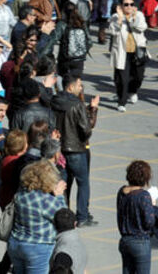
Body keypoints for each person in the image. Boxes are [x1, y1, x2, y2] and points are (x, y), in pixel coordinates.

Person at [50, 75, 98, 228]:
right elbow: (86, 129)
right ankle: (82, 216)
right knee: (83, 183)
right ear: (70, 87)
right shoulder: (77, 104)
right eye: (79, 85)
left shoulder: (54, 100)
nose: (81, 88)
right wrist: (93, 109)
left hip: (59, 149)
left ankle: (63, 215)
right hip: (76, 149)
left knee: (63, 183)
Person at [9, 160, 67, 274]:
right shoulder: (46, 201)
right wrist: (59, 196)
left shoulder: (21, 194)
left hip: (16, 243)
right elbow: (64, 218)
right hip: (37, 248)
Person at [109, 0, 147, 112]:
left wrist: (133, 18)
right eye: (126, 4)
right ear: (121, 6)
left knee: (138, 76)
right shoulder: (115, 17)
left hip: (137, 51)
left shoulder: (139, 15)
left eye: (132, 4)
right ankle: (122, 102)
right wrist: (120, 19)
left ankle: (133, 91)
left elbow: (142, 27)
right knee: (123, 79)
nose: (129, 7)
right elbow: (113, 31)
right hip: (122, 52)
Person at [116, 160, 156, 274]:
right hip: (140, 241)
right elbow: (149, 222)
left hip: (125, 240)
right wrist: (152, 207)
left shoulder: (121, 191)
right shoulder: (144, 196)